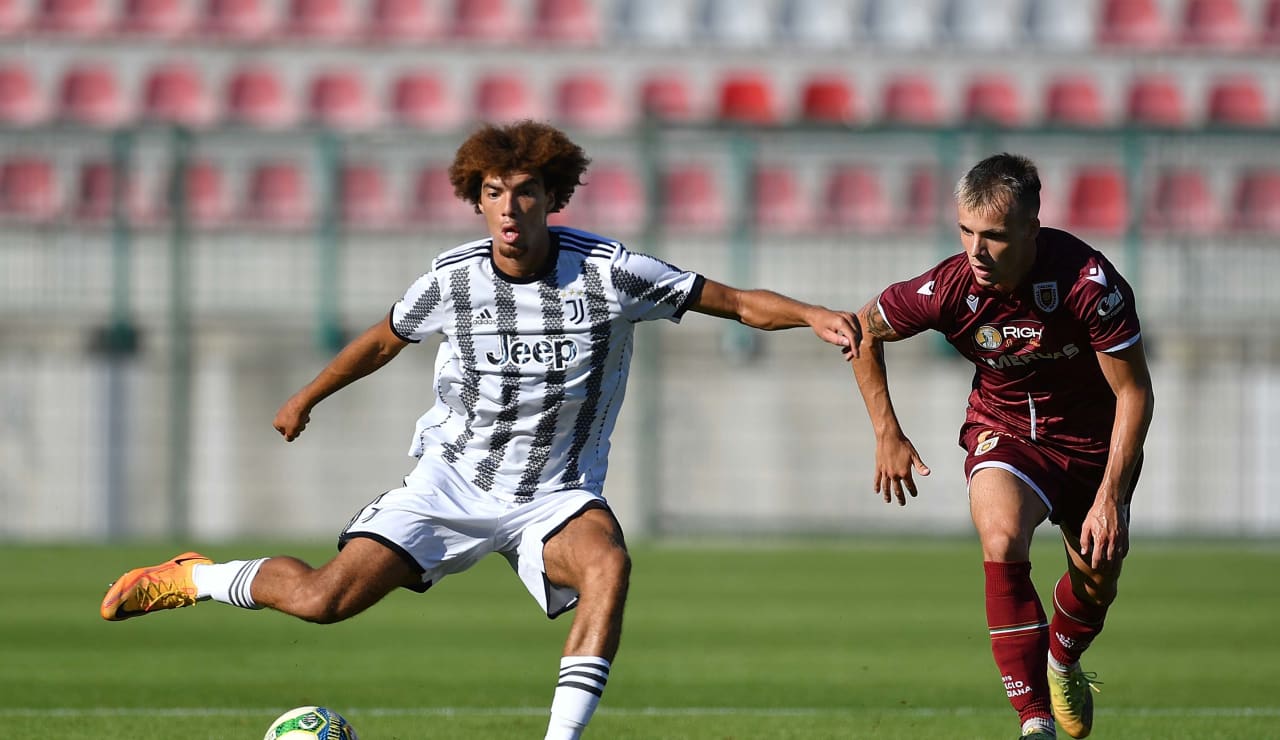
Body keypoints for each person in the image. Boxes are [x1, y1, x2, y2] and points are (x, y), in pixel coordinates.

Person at [100, 120, 861, 740]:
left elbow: (730, 301)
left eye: (525, 193)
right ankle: (194, 576)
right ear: (476, 199)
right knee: (322, 602)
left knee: (610, 567)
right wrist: (307, 395)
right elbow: (384, 338)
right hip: (451, 481)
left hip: (555, 495)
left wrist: (812, 315)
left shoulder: (609, 272)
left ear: (551, 198)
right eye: (493, 193)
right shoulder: (453, 279)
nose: (508, 209)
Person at [845, 153, 1153, 740]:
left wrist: (1111, 494)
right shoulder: (947, 288)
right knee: (1002, 536)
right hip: (1004, 429)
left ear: (1033, 229)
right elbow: (860, 331)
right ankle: (1034, 720)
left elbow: (1135, 393)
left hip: (1091, 443)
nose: (976, 251)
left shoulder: (1088, 284)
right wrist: (887, 431)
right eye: (966, 232)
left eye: (994, 237)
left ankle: (1063, 657)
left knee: (1097, 584)